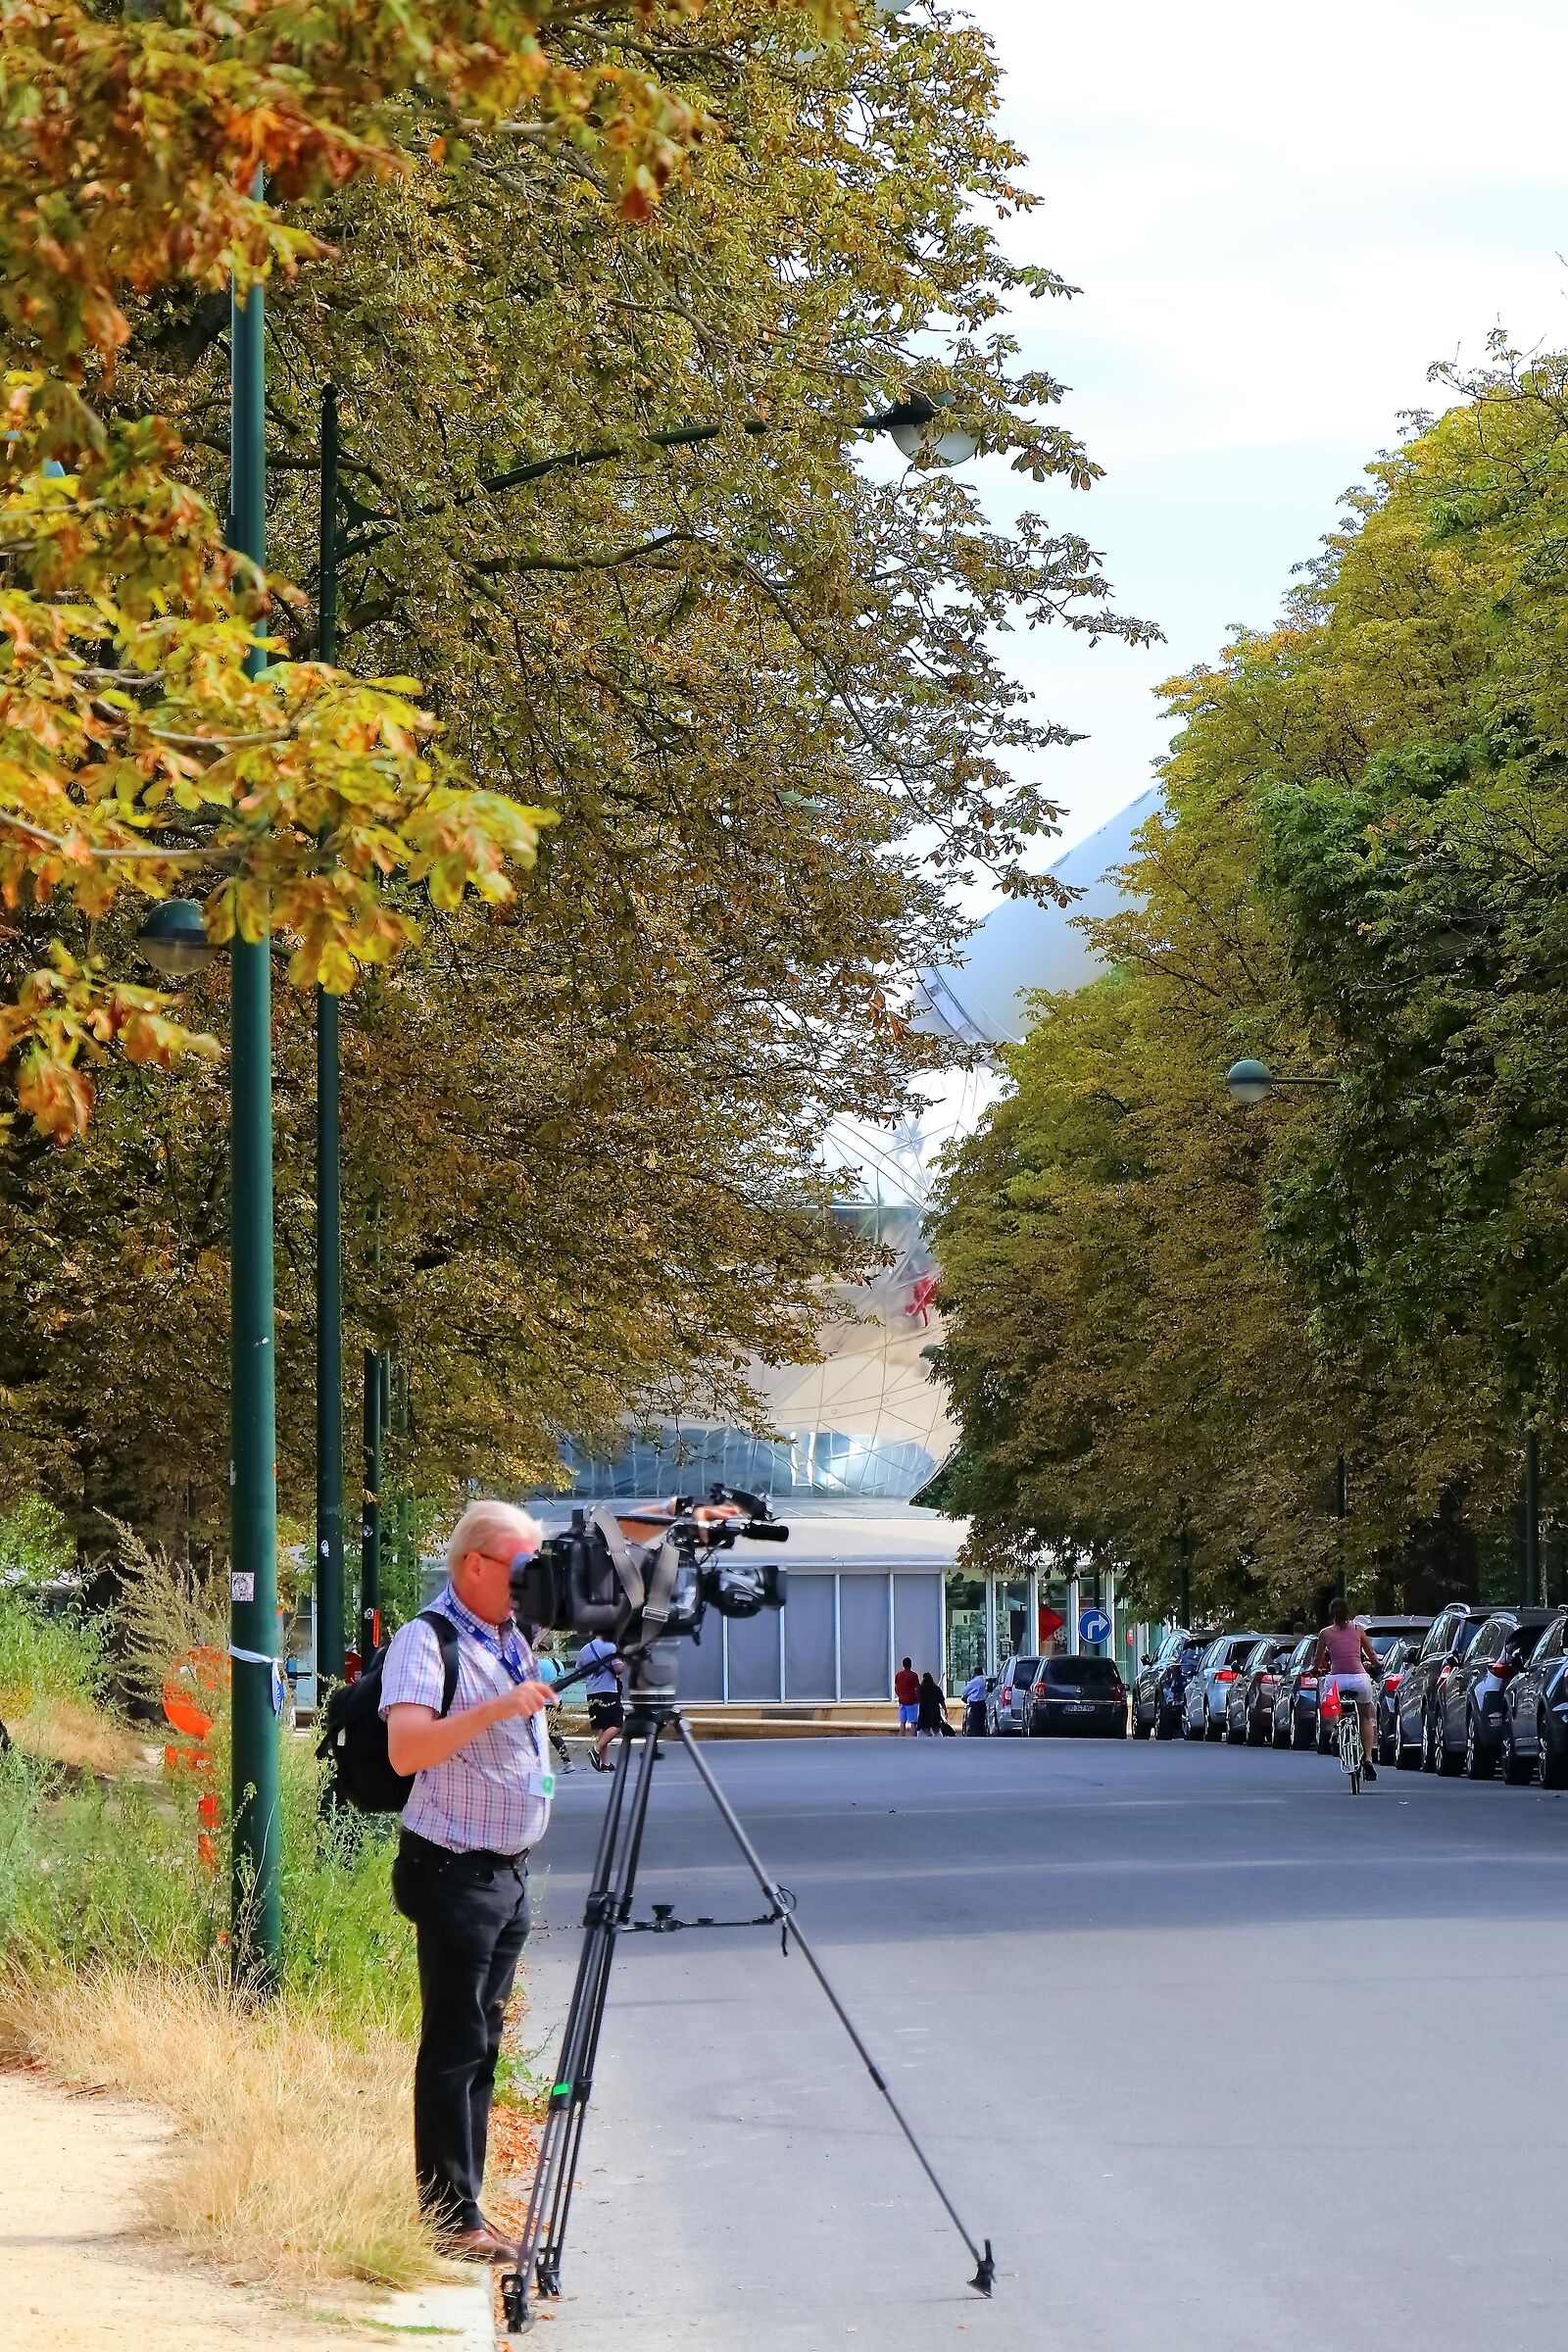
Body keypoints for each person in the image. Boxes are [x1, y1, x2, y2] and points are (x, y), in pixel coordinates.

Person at [380, 1499, 558, 2263]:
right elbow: (406, 1750)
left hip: (507, 1875)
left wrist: (679, 1519)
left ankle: (468, 2203)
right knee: (455, 2045)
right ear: (473, 1565)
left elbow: (607, 1567)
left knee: (485, 2043)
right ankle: (450, 2219)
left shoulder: (513, 1633)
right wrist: (494, 1708)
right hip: (453, 1870)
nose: (531, 1584)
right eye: (522, 1568)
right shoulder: (429, 1640)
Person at [1314, 1598, 1380, 1783]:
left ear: (1331, 1614)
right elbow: (1370, 1653)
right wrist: (1376, 1664)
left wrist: (1315, 1669)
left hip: (1337, 1679)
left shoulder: (1325, 1633)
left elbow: (1318, 1659)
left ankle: (1336, 1728)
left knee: (1329, 1702)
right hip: (1359, 1679)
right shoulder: (1358, 1629)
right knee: (1365, 1717)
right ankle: (1368, 1758)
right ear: (1348, 1612)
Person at [578, 1629, 626, 1771]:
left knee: (604, 1727)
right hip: (608, 1692)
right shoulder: (610, 1647)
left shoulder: (584, 1649)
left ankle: (605, 1764)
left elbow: (580, 1672)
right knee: (617, 1724)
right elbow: (618, 1669)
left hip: (592, 1693)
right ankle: (595, 1749)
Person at [533, 1648, 575, 1773]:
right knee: (553, 1732)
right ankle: (566, 1761)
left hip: (543, 1703)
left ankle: (564, 1762)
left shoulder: (539, 1664)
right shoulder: (557, 1662)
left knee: (540, 1733)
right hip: (557, 1701)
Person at [894, 1655, 921, 1736]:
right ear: (911, 1665)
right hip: (911, 1701)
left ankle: (902, 1737)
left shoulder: (898, 1675)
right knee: (913, 1722)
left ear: (903, 1665)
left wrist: (900, 1695)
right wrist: (918, 1699)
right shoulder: (913, 1675)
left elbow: (896, 1687)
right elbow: (916, 1689)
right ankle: (913, 1738)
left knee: (902, 1722)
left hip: (902, 1700)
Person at [917, 1669, 947, 1737]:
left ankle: (928, 1737)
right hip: (934, 1710)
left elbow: (917, 1699)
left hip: (924, 1711)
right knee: (936, 1728)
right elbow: (942, 1701)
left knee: (925, 1727)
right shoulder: (936, 1689)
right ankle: (937, 1739)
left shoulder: (921, 1689)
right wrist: (945, 1710)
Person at [961, 1668, 989, 1736]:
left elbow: (964, 1692)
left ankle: (974, 1735)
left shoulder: (975, 1681)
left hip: (975, 1704)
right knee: (981, 1722)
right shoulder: (985, 1680)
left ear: (975, 1673)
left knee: (973, 1722)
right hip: (983, 1704)